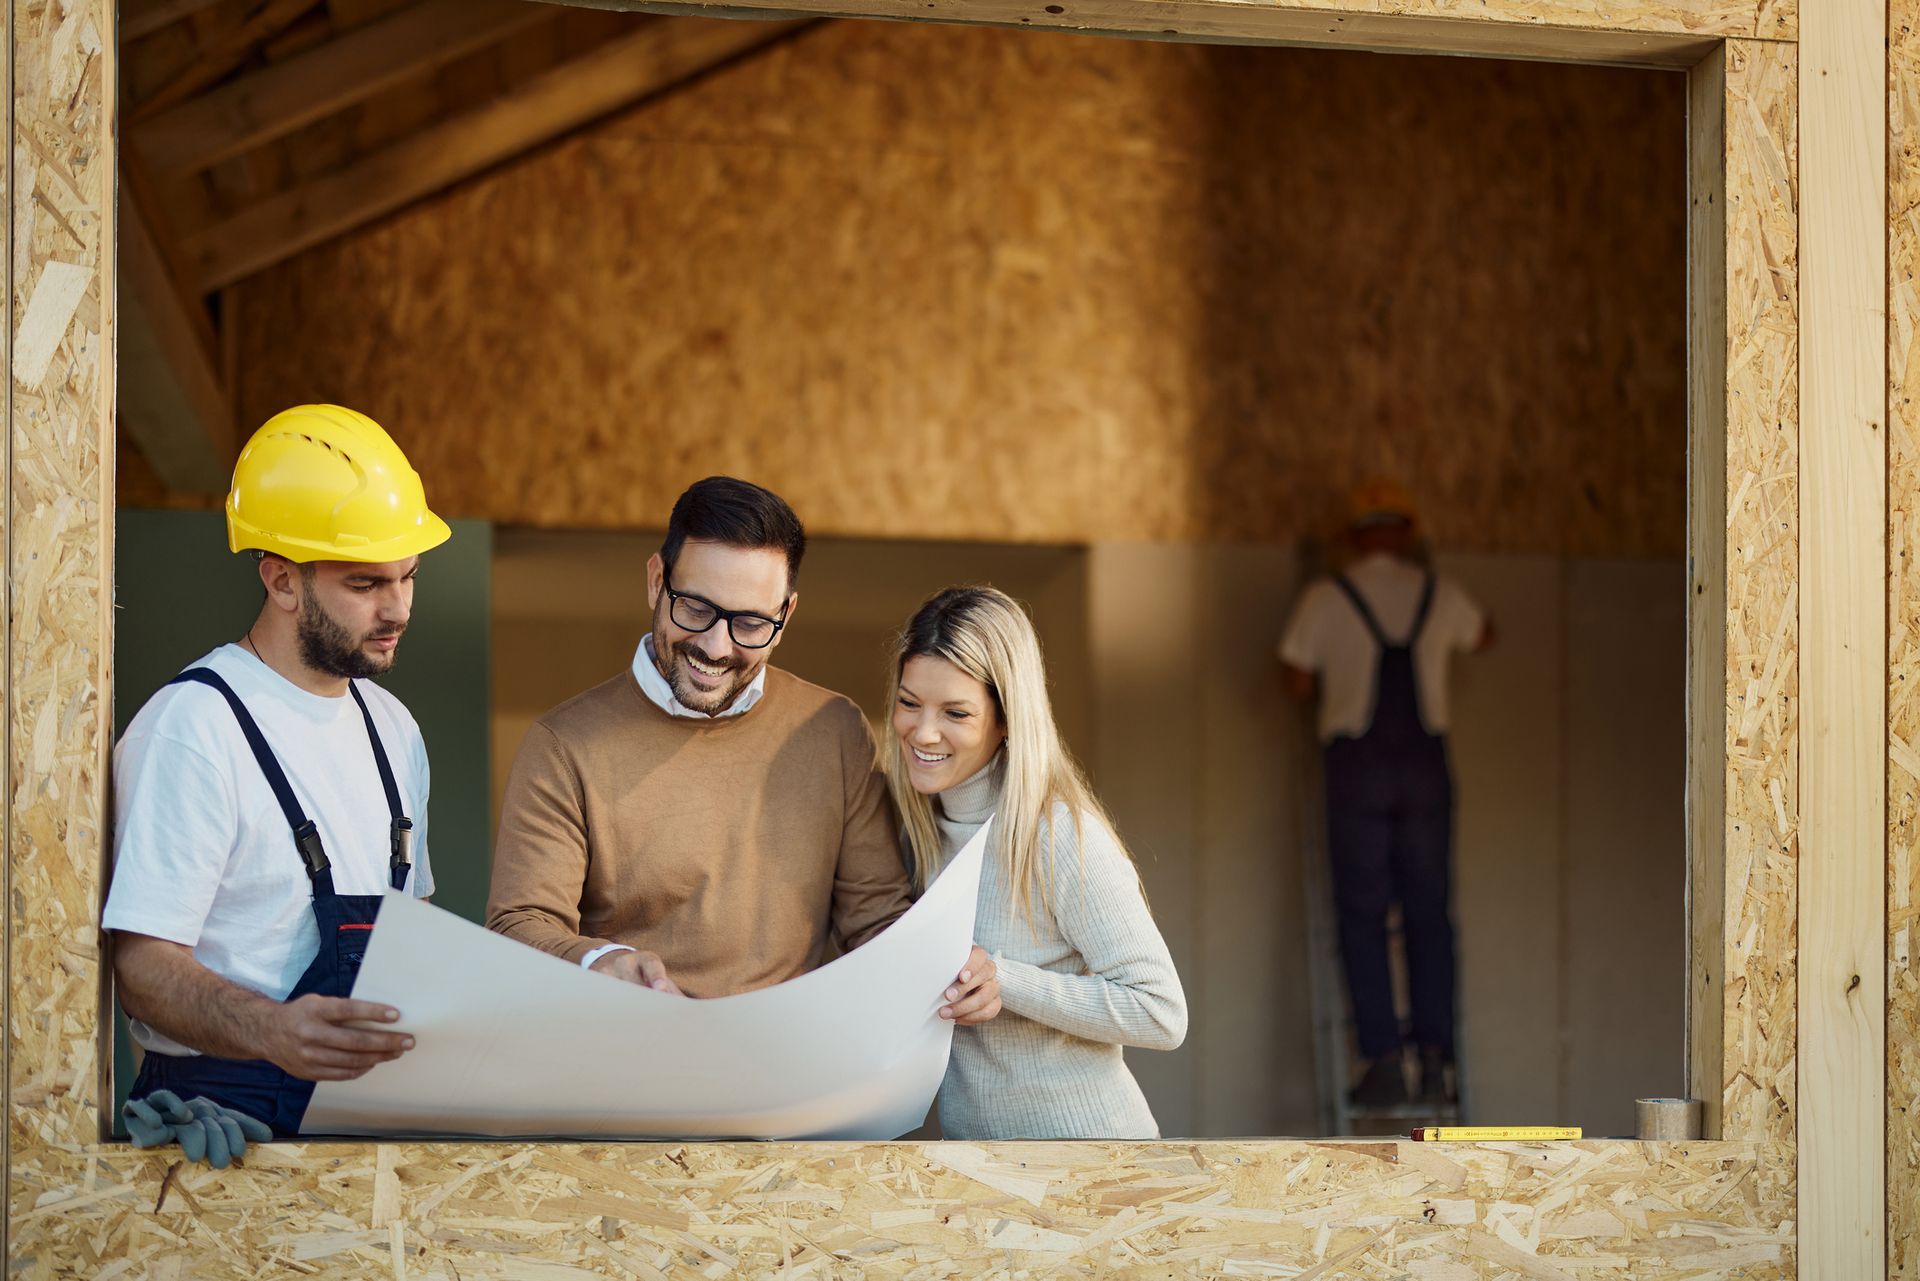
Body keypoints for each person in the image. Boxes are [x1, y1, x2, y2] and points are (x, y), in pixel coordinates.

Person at [486, 476, 999, 1025]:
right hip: (627, 1066)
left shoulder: (835, 731)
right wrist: (598, 960)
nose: (716, 646)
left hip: (785, 1077)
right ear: (657, 582)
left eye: (751, 622)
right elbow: (519, 926)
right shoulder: (564, 745)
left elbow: (874, 920)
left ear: (786, 616)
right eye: (697, 609)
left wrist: (952, 969)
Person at [105, 404, 449, 1141]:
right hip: (226, 1120)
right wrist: (270, 1030)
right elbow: (143, 964)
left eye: (408, 576)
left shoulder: (394, 728)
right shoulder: (195, 727)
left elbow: (410, 935)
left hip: (368, 1125)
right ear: (282, 579)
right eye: (365, 584)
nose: (397, 608)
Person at [886, 586, 1187, 1140]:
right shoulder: (915, 838)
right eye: (909, 703)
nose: (923, 732)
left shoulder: (1058, 837)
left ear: (1006, 721)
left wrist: (1009, 982)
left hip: (1095, 1165)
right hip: (979, 1168)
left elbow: (1162, 1012)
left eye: (956, 712)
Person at [1279, 479, 1493, 1107]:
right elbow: (1484, 635)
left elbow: (1293, 680)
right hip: (1426, 770)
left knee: (1362, 916)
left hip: (1358, 771)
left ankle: (1383, 1060)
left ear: (1351, 538)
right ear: (1407, 532)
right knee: (1430, 915)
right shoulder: (1440, 593)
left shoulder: (1326, 597)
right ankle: (1436, 1059)